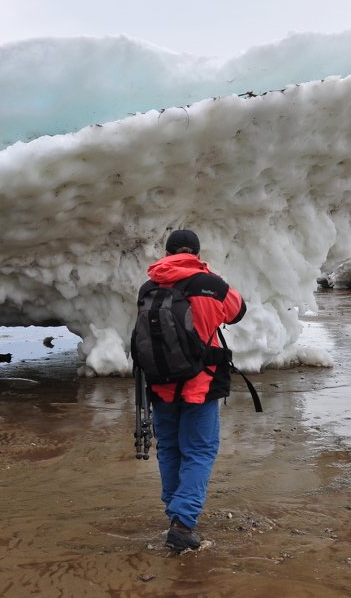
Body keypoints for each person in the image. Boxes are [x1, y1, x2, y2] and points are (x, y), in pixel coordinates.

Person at [137, 228, 246, 551]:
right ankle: (182, 524)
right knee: (198, 450)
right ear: (196, 253)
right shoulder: (210, 284)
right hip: (201, 383)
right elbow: (238, 311)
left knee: (169, 449)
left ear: (167, 252)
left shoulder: (149, 285)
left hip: (160, 384)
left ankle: (176, 512)